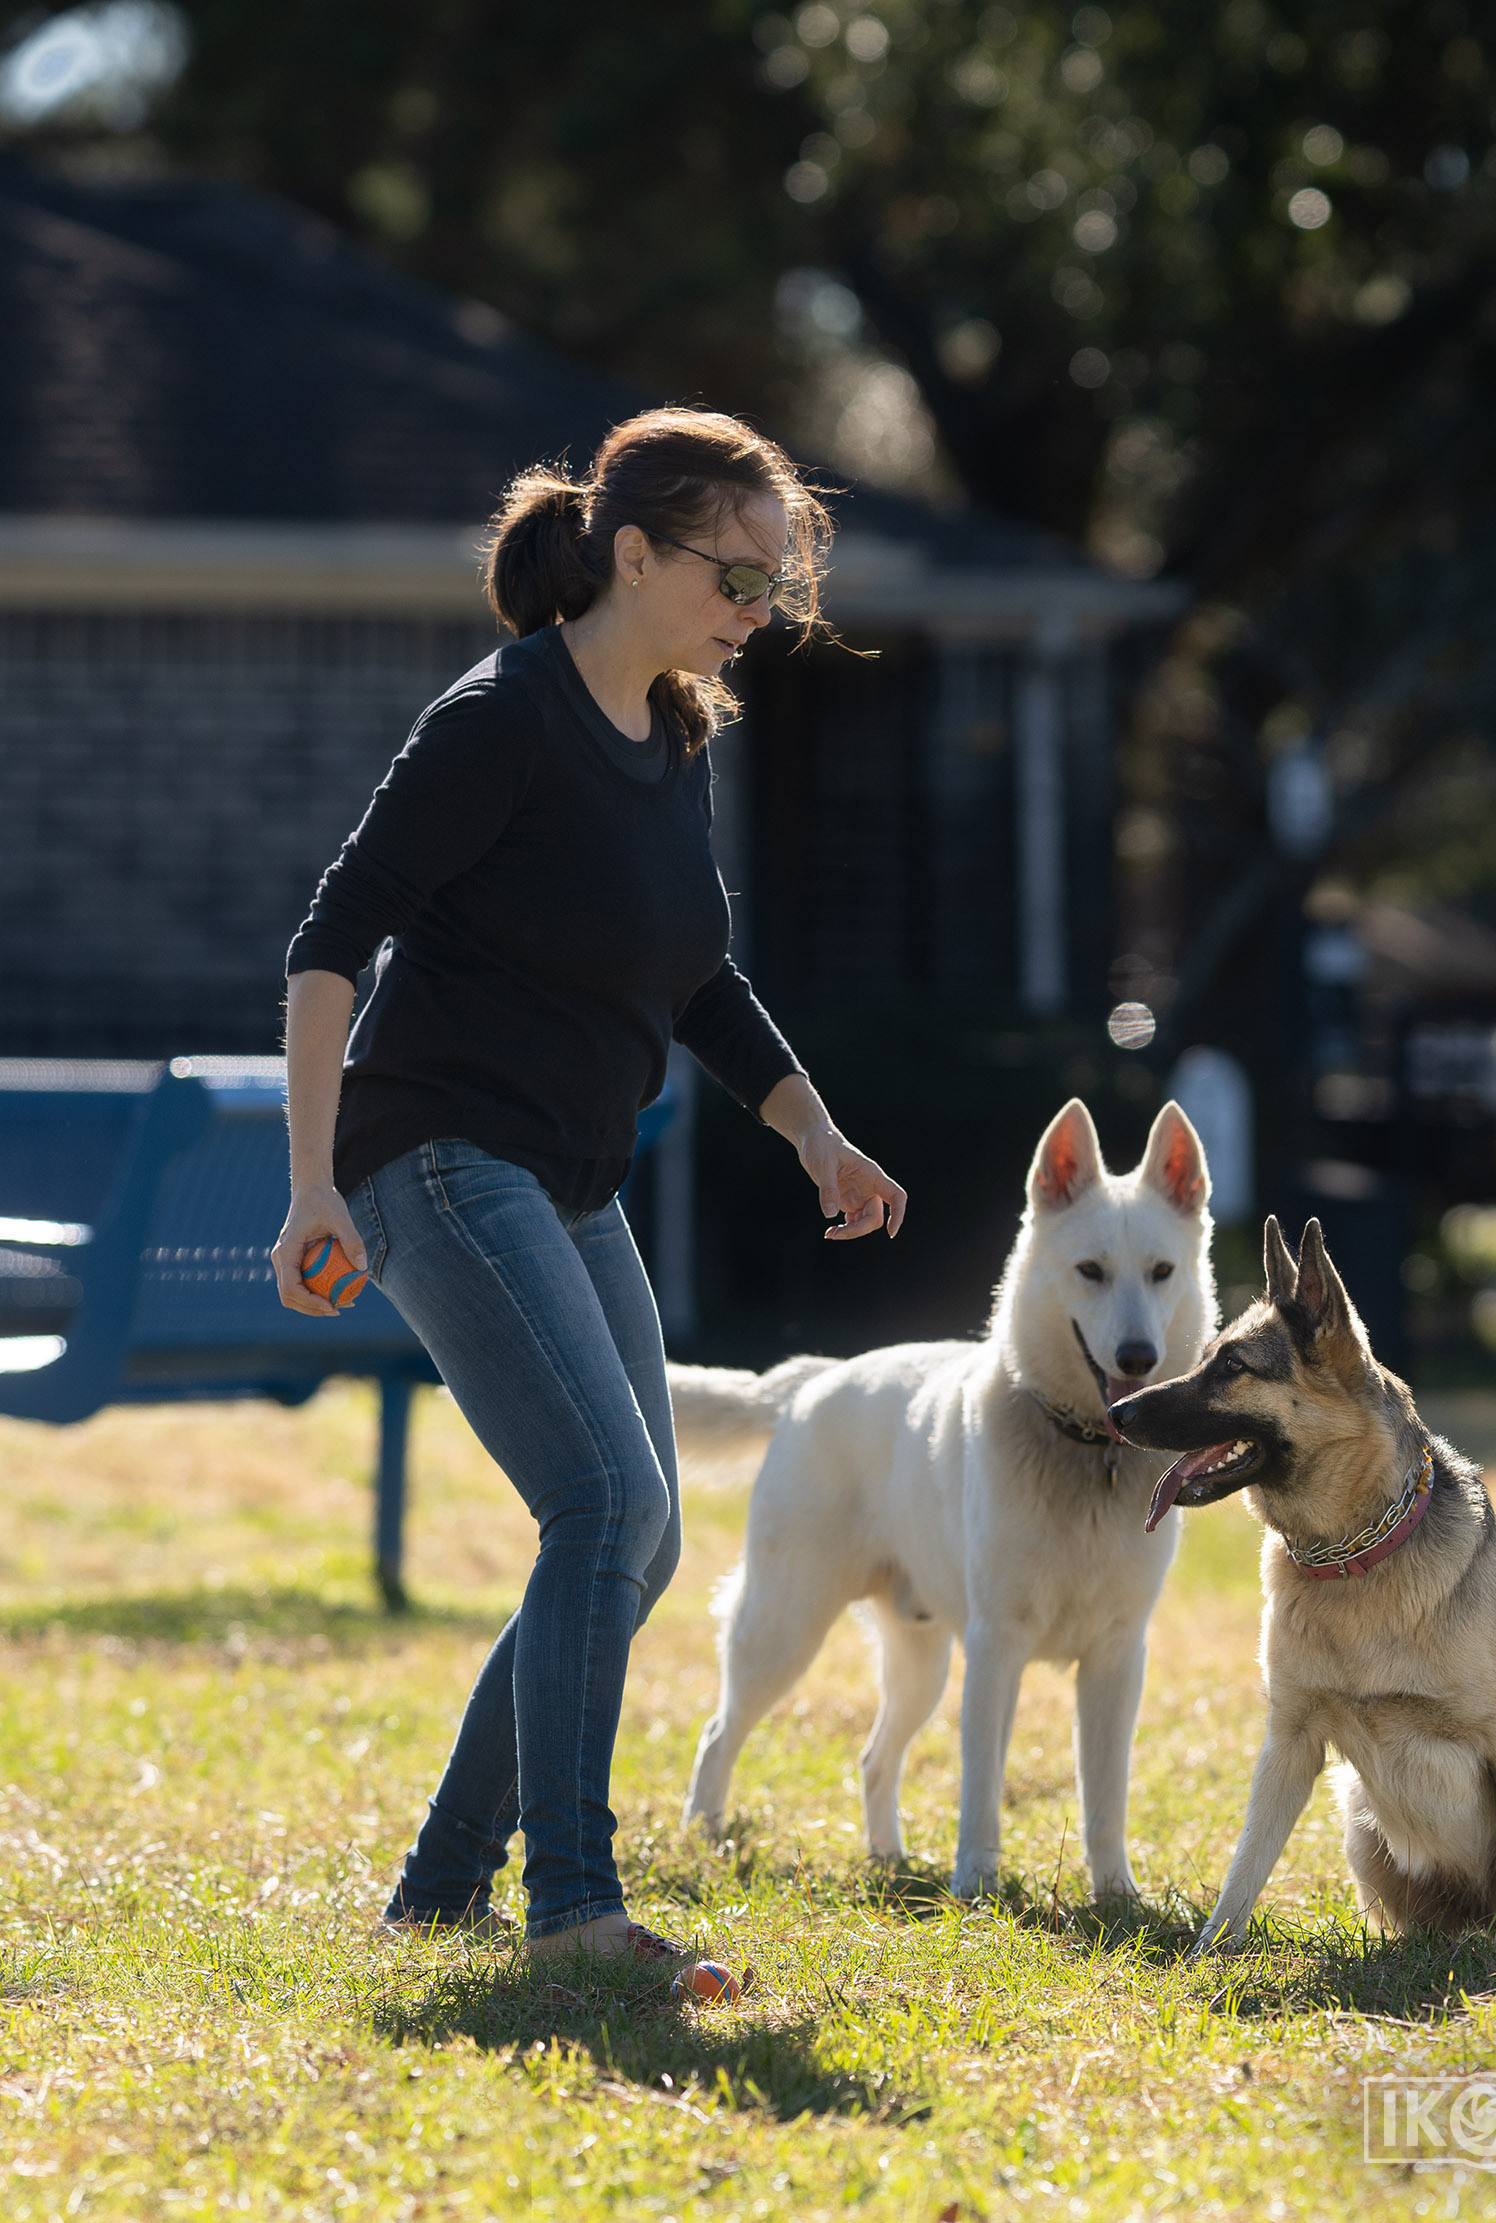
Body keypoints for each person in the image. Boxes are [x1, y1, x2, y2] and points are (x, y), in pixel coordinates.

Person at [273, 406, 906, 1969]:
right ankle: (572, 1909)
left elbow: (699, 981)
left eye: (775, 588)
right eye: (737, 578)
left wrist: (815, 1134)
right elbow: (330, 942)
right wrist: (311, 1188)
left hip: (568, 1179)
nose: (758, 613)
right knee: (604, 1506)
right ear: (634, 555)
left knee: (642, 1538)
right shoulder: (499, 722)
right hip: (431, 1156)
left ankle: (441, 1886)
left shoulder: (671, 738)